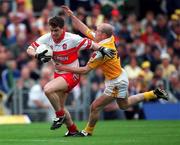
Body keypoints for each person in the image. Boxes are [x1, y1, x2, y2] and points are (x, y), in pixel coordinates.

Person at [58, 6, 169, 136]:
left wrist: (63, 67)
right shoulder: (107, 38)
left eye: (97, 31)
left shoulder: (102, 52)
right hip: (119, 75)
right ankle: (154, 93)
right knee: (124, 105)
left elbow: (85, 70)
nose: (95, 32)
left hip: (116, 81)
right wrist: (72, 16)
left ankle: (88, 131)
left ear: (103, 35)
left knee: (95, 106)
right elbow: (86, 30)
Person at [26, 16, 115, 136]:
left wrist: (103, 49)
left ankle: (59, 116)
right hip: (59, 75)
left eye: (56, 30)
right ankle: (72, 130)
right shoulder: (47, 38)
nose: (53, 33)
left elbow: (92, 44)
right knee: (61, 107)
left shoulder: (73, 39)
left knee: (47, 89)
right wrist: (37, 55)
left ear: (63, 29)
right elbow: (29, 49)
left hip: (72, 74)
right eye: (51, 30)